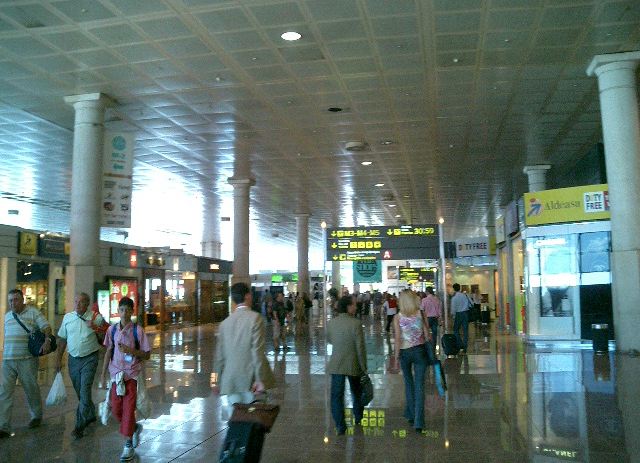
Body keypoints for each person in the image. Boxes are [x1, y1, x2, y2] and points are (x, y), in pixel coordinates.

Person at [100, 297, 150, 462]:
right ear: (118, 311)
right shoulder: (112, 330)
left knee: (128, 409)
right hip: (116, 376)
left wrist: (131, 351)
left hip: (132, 375)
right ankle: (134, 427)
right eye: (122, 310)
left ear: (132, 311)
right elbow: (108, 351)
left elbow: (147, 354)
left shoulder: (137, 331)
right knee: (116, 409)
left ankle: (128, 445)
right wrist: (103, 375)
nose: (124, 313)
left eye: (128, 310)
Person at [0, 289, 53, 437]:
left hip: (27, 360)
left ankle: (36, 415)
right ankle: (3, 426)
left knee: (31, 389)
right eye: (10, 300)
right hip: (8, 360)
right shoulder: (7, 316)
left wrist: (47, 341)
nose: (12, 303)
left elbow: (46, 327)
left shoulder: (33, 312)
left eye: (16, 300)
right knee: (4, 392)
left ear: (22, 300)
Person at [214, 282, 275, 407]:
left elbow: (218, 358)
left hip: (230, 381)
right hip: (250, 380)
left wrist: (214, 382)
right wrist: (260, 379)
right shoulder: (255, 318)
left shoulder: (224, 323)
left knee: (235, 415)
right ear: (248, 296)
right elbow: (257, 352)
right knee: (252, 415)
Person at [55, 292, 104, 439]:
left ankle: (79, 426)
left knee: (84, 390)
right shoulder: (68, 318)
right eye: (76, 301)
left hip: (90, 358)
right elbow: (62, 340)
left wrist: (95, 327)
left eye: (81, 302)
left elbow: (105, 336)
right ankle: (90, 413)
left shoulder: (95, 317)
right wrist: (58, 359)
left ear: (87, 304)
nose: (78, 304)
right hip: (73, 360)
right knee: (80, 391)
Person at [327, 295, 367, 435]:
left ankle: (340, 425)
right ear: (348, 307)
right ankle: (358, 416)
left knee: (336, 395)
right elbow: (360, 348)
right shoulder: (356, 324)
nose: (356, 306)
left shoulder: (331, 323)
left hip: (336, 364)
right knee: (356, 392)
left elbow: (330, 340)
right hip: (353, 363)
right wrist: (364, 367)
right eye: (354, 304)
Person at [393, 290, 431, 433]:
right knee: (419, 386)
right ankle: (418, 421)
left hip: (404, 353)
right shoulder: (421, 314)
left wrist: (396, 359)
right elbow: (427, 335)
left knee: (408, 384)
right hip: (420, 351)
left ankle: (411, 414)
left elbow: (398, 339)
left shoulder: (397, 317)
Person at [450, 283, 470, 353]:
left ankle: (460, 343)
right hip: (465, 313)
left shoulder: (454, 298)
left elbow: (453, 308)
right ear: (460, 288)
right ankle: (465, 346)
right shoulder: (464, 295)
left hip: (458, 314)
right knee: (465, 330)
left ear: (454, 289)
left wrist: (453, 315)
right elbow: (470, 303)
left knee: (455, 329)